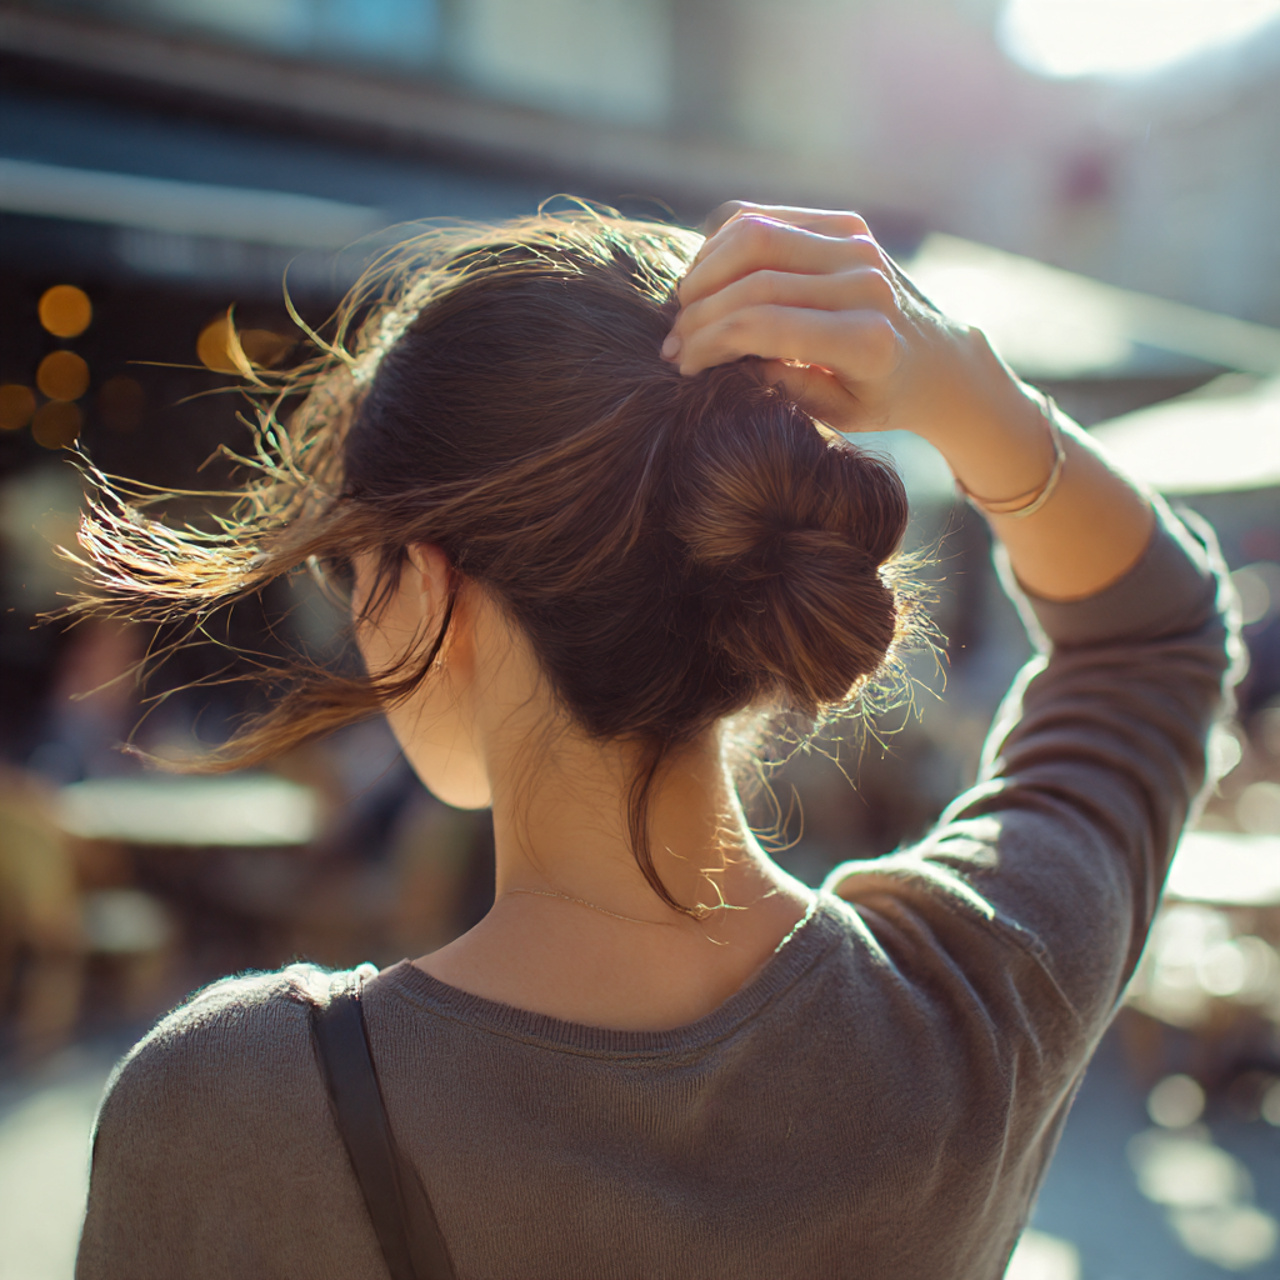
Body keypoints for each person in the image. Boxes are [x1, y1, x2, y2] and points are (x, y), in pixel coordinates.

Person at [74, 203, 1236, 1280]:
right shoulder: (970, 1008)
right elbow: (1156, 633)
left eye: (349, 573)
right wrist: (955, 384)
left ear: (427, 590)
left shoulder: (237, 1107)